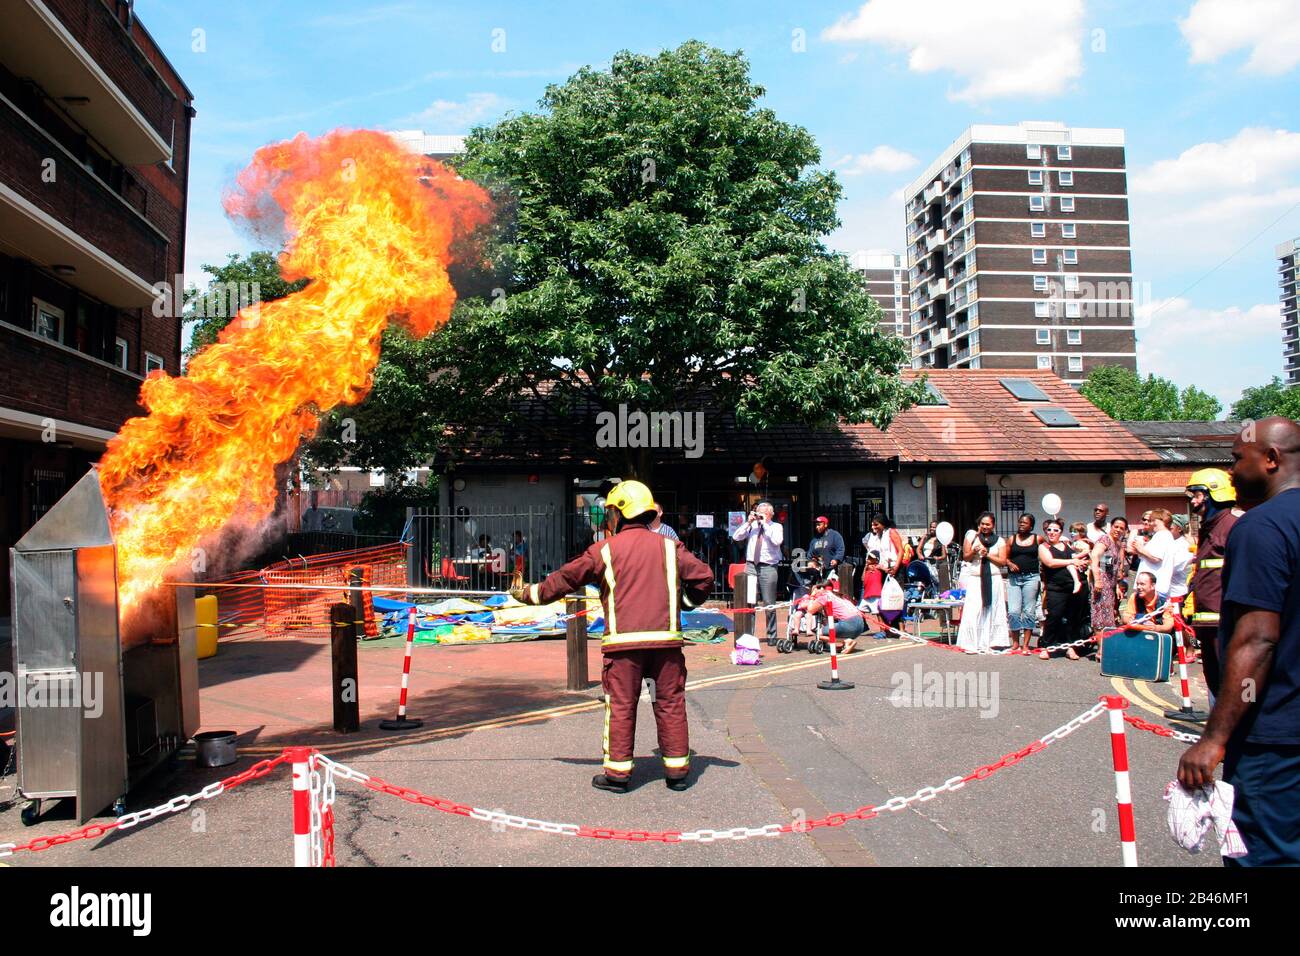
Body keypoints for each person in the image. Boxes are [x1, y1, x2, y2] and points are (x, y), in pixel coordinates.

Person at [510, 479, 714, 793]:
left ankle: (618, 775)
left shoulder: (605, 550)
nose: (608, 519)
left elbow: (567, 577)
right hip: (666, 645)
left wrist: (530, 593)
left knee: (621, 705)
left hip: (624, 647)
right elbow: (703, 577)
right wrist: (685, 603)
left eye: (610, 513)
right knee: (669, 703)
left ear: (618, 513)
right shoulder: (671, 547)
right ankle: (677, 772)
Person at [1178, 417, 1300, 865]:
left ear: (1271, 459)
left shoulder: (1261, 528)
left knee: (1264, 856)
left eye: (1236, 459)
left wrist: (1214, 738)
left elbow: (1257, 641)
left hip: (1276, 738)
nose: (1230, 472)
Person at [1185, 468, 1244, 699]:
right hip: (1207, 625)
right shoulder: (1209, 528)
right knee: (1215, 683)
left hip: (1224, 624)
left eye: (1196, 494)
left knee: (1230, 686)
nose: (1193, 500)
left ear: (1212, 494)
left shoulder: (1231, 527)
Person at [955, 511, 1011, 654]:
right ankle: (971, 642)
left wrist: (988, 554)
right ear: (979, 525)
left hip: (993, 578)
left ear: (993, 525)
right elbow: (966, 557)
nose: (985, 526)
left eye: (988, 524)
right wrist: (974, 551)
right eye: (982, 524)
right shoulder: (972, 537)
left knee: (992, 608)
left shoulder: (999, 541)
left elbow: (1003, 561)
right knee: (974, 609)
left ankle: (992, 642)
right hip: (975, 578)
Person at [732, 500, 784, 644]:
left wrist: (765, 524)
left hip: (768, 567)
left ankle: (772, 637)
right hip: (751, 566)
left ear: (770, 515)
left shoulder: (776, 527)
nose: (760, 516)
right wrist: (748, 523)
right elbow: (736, 537)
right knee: (750, 601)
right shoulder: (752, 526)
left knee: (769, 603)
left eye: (764, 513)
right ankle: (749, 635)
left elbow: (777, 541)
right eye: (759, 513)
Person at [1038, 518, 1091, 660]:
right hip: (1056, 588)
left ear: (1060, 532)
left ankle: (1070, 647)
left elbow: (1075, 557)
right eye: (1049, 529)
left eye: (1055, 530)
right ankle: (1046, 646)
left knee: (1073, 618)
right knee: (1054, 616)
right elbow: (1050, 562)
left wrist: (1081, 560)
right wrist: (1072, 561)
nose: (1052, 532)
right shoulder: (1044, 547)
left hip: (1073, 587)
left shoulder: (1066, 545)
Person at [791, 582, 868, 654]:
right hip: (860, 624)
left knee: (819, 634)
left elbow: (810, 610)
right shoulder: (839, 596)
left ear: (820, 589)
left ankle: (846, 641)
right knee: (831, 627)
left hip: (849, 624)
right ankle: (845, 643)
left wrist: (812, 596)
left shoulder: (824, 597)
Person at [1005, 513, 1042, 653]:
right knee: (1013, 611)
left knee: (1029, 611)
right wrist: (1009, 563)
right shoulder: (1011, 539)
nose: (1021, 524)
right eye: (1020, 522)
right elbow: (1005, 558)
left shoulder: (1037, 539)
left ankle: (1026, 645)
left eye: (1025, 523)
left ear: (1031, 526)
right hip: (1014, 578)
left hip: (1032, 578)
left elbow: (1047, 551)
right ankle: (1015, 643)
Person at [1090, 516, 1128, 636]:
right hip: (1101, 584)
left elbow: (1109, 566)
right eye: (1116, 526)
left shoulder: (1115, 543)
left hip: (1110, 586)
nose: (1118, 530)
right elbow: (1095, 556)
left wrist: (1116, 586)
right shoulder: (1105, 540)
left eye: (1121, 528)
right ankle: (1100, 651)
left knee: (1108, 617)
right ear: (1111, 527)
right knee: (1099, 618)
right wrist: (1097, 580)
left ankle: (1105, 649)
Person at [1129, 507, 1175, 601]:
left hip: (1154, 590)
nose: (1151, 523)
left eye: (1152, 520)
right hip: (1152, 589)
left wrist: (1140, 549)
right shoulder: (1162, 535)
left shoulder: (1162, 535)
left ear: (1160, 520)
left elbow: (1156, 558)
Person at [1119, 570, 1175, 637]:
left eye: (1142, 584)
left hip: (1158, 636)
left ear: (1152, 586)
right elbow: (1125, 617)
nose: (1139, 587)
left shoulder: (1165, 602)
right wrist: (1130, 621)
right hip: (1139, 634)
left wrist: (1156, 628)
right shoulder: (1134, 597)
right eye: (1137, 584)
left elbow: (1168, 626)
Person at [862, 513, 903, 579]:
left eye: (876, 525)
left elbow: (901, 551)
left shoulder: (891, 532)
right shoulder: (878, 536)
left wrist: (895, 568)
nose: (873, 527)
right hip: (883, 570)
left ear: (883, 524)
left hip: (894, 568)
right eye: (872, 525)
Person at [1168, 515, 1194, 614]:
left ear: (1179, 529)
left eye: (1170, 528)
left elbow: (1174, 567)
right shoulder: (1169, 543)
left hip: (1178, 593)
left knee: (1177, 624)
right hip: (1167, 593)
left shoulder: (1184, 545)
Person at [1067, 521, 1093, 594]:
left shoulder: (1081, 542)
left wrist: (1076, 556)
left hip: (1083, 564)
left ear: (1081, 533)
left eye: (1075, 531)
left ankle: (1077, 581)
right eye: (1071, 531)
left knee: (1070, 566)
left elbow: (1086, 551)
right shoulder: (1074, 543)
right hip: (1078, 563)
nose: (1072, 533)